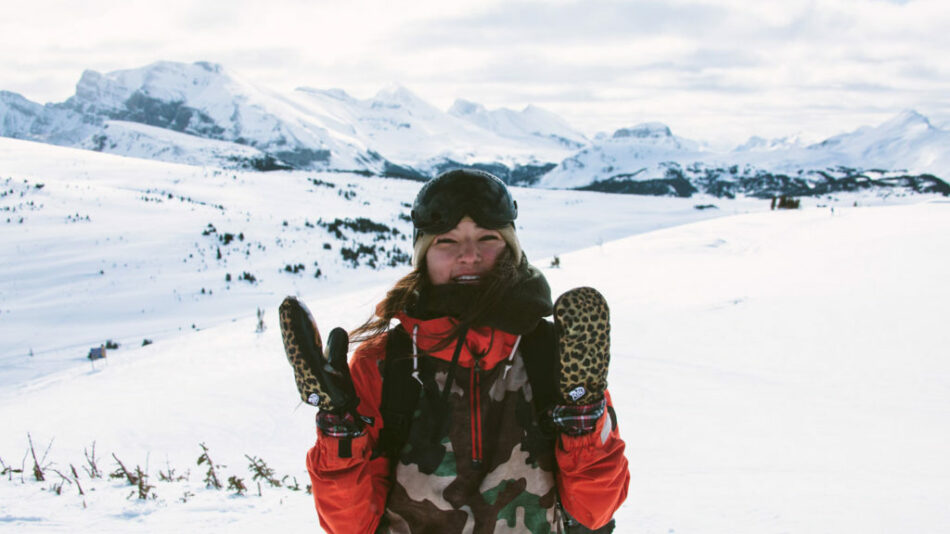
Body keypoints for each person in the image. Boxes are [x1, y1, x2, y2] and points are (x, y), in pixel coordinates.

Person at [281, 168, 629, 533]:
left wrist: (583, 420)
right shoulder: (384, 365)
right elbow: (351, 525)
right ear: (423, 257)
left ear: (511, 249)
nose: (469, 254)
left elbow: (595, 511)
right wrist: (339, 434)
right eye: (446, 241)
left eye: (487, 238)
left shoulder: (555, 356)